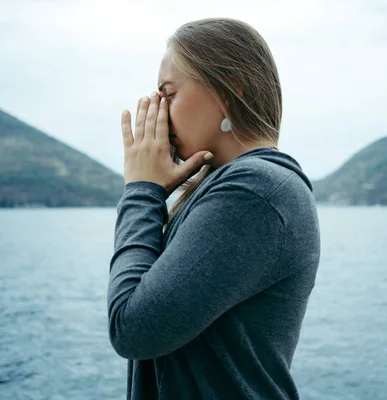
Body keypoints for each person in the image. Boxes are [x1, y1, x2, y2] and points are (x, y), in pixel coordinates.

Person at [108, 18, 321, 400]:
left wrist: (142, 190)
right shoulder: (240, 186)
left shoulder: (255, 191)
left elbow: (133, 329)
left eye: (168, 94)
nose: (157, 109)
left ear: (229, 89)